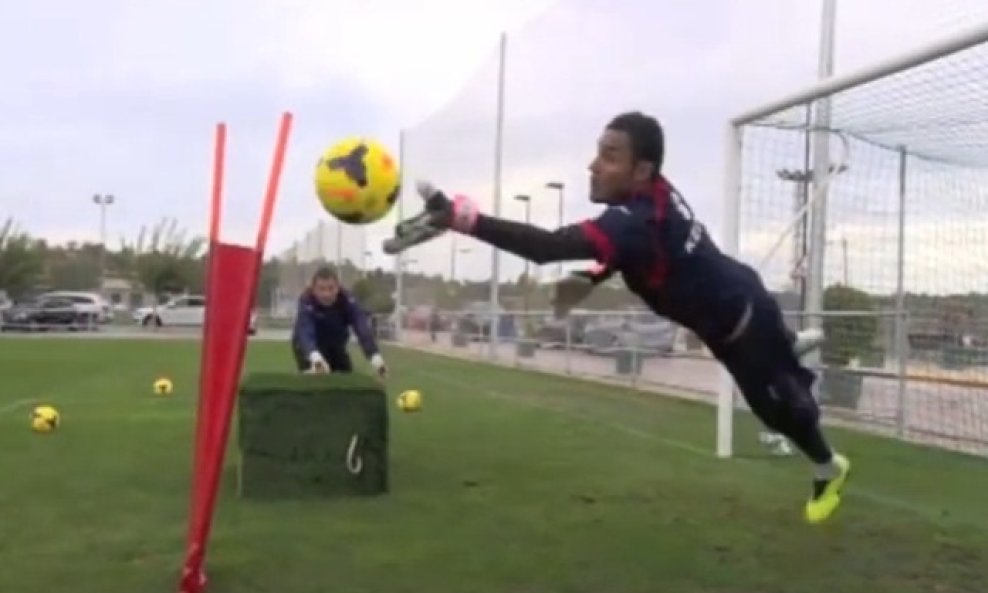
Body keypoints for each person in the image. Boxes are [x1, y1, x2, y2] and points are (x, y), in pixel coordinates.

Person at [383, 111, 850, 524]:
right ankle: (789, 354)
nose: (593, 165)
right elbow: (643, 252)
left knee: (784, 412)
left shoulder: (631, 221)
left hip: (745, 320)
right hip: (729, 316)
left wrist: (467, 220)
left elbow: (549, 248)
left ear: (641, 170)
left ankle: (829, 467)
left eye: (609, 156)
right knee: (770, 402)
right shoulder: (648, 203)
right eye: (597, 153)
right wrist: (593, 275)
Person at [291, 266, 388, 379]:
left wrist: (375, 357)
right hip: (307, 346)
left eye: (331, 288)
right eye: (321, 289)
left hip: (335, 345)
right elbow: (305, 331)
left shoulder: (346, 299)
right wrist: (315, 357)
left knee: (346, 378)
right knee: (318, 380)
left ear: (338, 288)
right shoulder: (306, 299)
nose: (327, 294)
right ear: (313, 289)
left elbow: (361, 327)